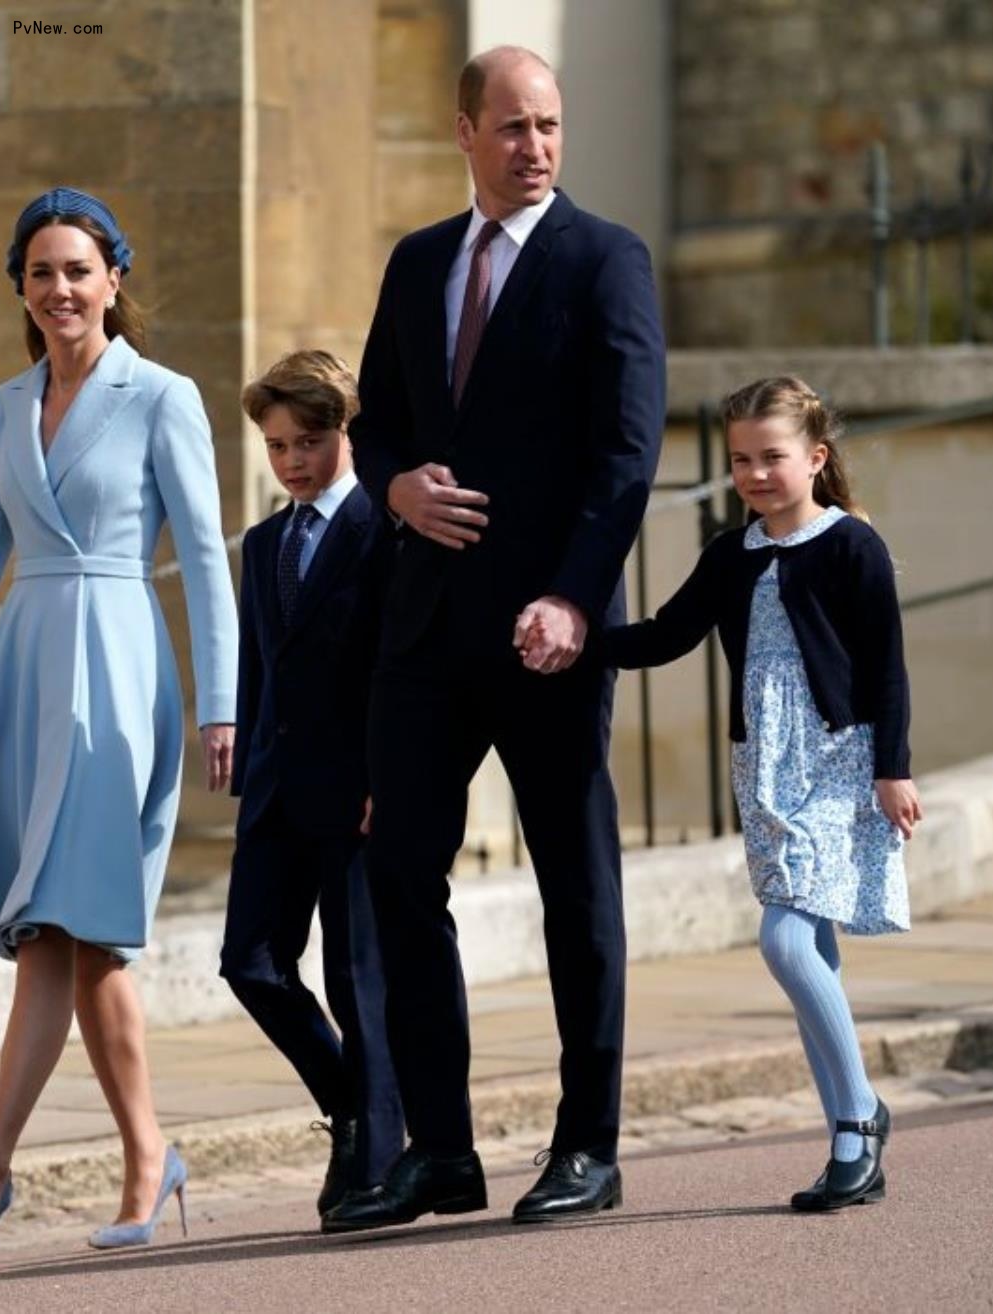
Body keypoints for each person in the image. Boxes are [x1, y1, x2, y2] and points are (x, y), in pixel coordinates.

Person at [322, 46, 666, 1232]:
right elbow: (375, 427)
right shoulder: (419, 264)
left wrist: (574, 597)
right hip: (424, 632)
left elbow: (626, 459)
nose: (537, 147)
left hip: (549, 636)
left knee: (577, 885)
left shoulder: (605, 259)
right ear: (463, 131)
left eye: (552, 126)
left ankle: (590, 1145)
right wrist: (398, 487)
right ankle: (444, 1153)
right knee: (399, 875)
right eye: (513, 126)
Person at [0, 187, 238, 1256]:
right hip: (30, 673)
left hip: (119, 676)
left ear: (115, 278)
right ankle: (148, 1156)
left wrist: (224, 704)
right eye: (41, 272)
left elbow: (208, 559)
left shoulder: (163, 396)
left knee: (62, 932)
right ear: (21, 291)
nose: (61, 289)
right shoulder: (2, 407)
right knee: (74, 941)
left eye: (79, 269)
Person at [599, 376, 920, 1211]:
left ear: (815, 458)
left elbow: (886, 663)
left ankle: (859, 1116)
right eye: (741, 460)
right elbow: (667, 634)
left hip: (837, 762)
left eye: (772, 457)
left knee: (783, 943)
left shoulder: (853, 546)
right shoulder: (729, 554)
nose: (754, 474)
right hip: (762, 767)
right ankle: (851, 1144)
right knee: (812, 954)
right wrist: (578, 641)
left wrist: (894, 768)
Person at [220, 350, 405, 1221]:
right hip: (275, 790)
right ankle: (354, 1107)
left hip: (357, 791)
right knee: (250, 963)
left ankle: (371, 1162)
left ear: (347, 435)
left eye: (310, 440)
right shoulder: (262, 545)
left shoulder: (381, 529)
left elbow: (393, 671)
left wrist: (386, 776)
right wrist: (250, 777)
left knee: (353, 976)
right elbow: (261, 669)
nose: (293, 460)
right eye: (277, 445)